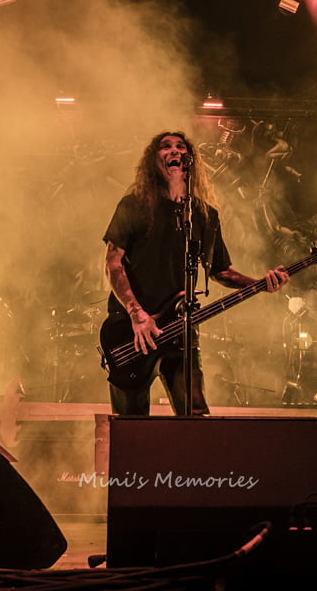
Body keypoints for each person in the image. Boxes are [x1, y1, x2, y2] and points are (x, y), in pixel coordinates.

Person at [102, 131, 289, 415]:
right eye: (165, 147)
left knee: (195, 417)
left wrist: (261, 284)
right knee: (131, 424)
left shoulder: (204, 215)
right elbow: (112, 263)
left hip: (180, 327)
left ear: (191, 160)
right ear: (153, 159)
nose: (175, 151)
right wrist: (137, 315)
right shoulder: (133, 205)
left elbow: (220, 270)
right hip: (131, 329)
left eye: (181, 147)